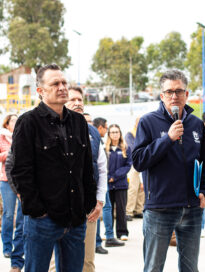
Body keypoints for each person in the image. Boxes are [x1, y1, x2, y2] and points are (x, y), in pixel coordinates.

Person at [10, 64, 97, 272]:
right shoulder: (28, 122)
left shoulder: (78, 122)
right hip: (43, 220)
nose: (62, 87)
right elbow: (20, 170)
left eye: (64, 82)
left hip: (76, 218)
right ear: (40, 91)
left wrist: (88, 203)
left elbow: (86, 166)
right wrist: (37, 210)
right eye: (55, 83)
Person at [132, 69, 205, 272]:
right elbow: (139, 161)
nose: (174, 96)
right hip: (160, 208)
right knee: (153, 267)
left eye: (179, 91)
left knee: (190, 268)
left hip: (192, 209)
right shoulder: (148, 122)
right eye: (169, 92)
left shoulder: (196, 124)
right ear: (162, 96)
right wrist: (167, 139)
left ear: (187, 94)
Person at [65, 86, 107, 271]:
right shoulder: (51, 129)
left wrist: (99, 201)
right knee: (55, 264)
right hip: (58, 208)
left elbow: (102, 169)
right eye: (72, 99)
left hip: (88, 207)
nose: (77, 103)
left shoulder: (93, 133)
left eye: (80, 100)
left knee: (87, 261)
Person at [0, 114, 23, 269]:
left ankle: (19, 248)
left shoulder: (23, 135)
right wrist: (9, 152)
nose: (16, 122)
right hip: (6, 180)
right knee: (8, 214)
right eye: (13, 120)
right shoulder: (0, 138)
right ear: (7, 124)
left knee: (21, 217)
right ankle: (7, 247)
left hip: (21, 181)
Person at [92, 117, 125, 250]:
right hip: (100, 181)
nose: (107, 131)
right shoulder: (97, 140)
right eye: (106, 128)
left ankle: (104, 238)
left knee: (106, 207)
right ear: (100, 128)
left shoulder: (97, 140)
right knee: (102, 208)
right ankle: (104, 239)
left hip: (103, 180)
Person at [105, 124, 132, 241]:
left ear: (120, 134)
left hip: (121, 184)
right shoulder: (105, 150)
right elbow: (102, 165)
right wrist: (108, 177)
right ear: (109, 134)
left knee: (121, 209)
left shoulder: (126, 148)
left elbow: (128, 165)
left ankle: (122, 233)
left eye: (117, 132)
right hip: (108, 184)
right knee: (108, 209)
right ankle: (109, 233)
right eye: (112, 132)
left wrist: (115, 176)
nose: (115, 134)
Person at [4, 150, 25, 272]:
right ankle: (16, 263)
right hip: (27, 195)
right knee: (21, 228)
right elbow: (9, 167)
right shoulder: (22, 137)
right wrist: (18, 191)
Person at [125, 117, 145, 221]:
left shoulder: (145, 132)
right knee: (133, 188)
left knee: (142, 189)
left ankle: (138, 210)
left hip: (144, 162)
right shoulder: (130, 134)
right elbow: (133, 148)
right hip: (134, 163)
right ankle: (129, 211)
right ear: (136, 123)